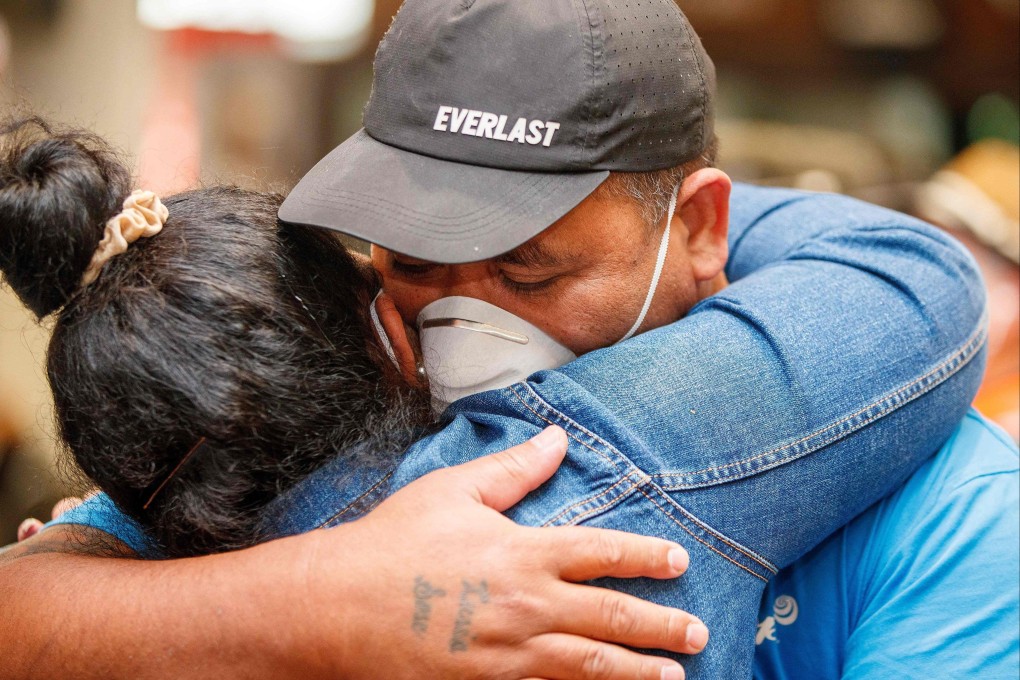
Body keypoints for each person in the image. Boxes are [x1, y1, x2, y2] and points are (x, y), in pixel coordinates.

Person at [0, 1, 994, 678]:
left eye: (530, 273)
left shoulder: (956, 517)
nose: (461, 328)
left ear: (698, 230)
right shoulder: (330, 408)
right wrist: (321, 594)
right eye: (418, 261)